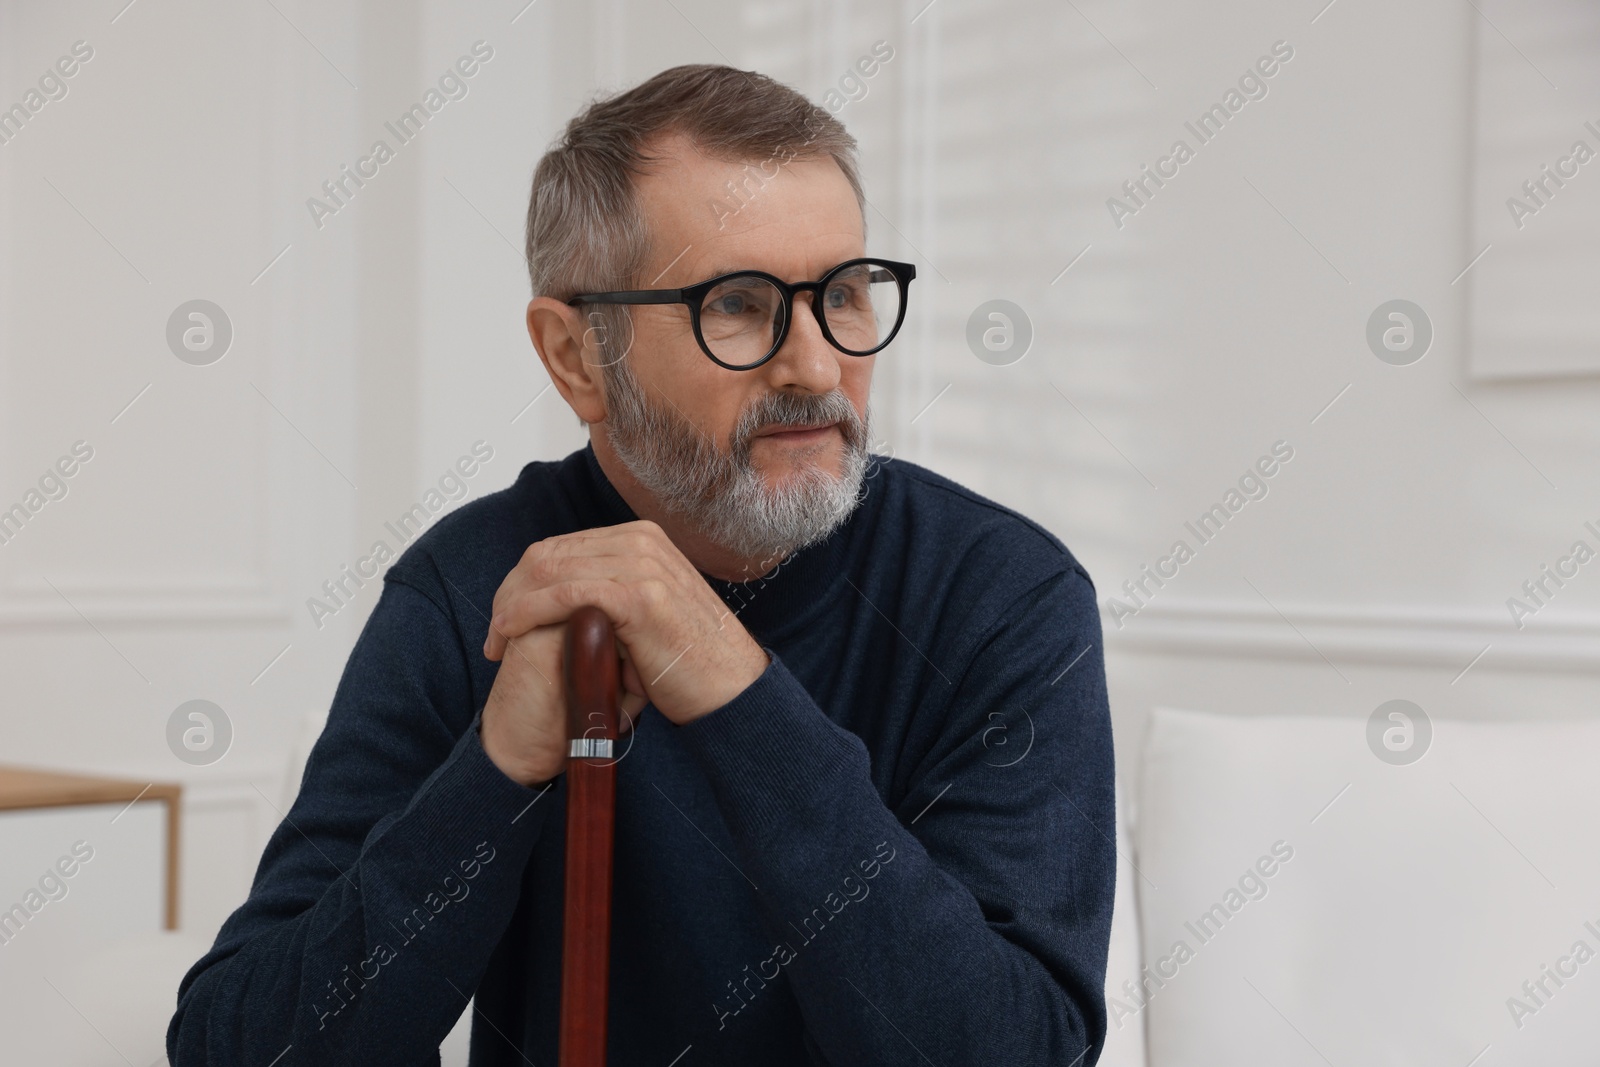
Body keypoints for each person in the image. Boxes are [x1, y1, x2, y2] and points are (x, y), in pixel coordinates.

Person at [168, 63, 1115, 1066]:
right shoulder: (478, 586)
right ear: (578, 357)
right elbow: (241, 1048)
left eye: (841, 293)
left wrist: (738, 692)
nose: (816, 365)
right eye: (740, 304)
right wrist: (491, 774)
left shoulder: (1004, 596)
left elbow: (1014, 1050)